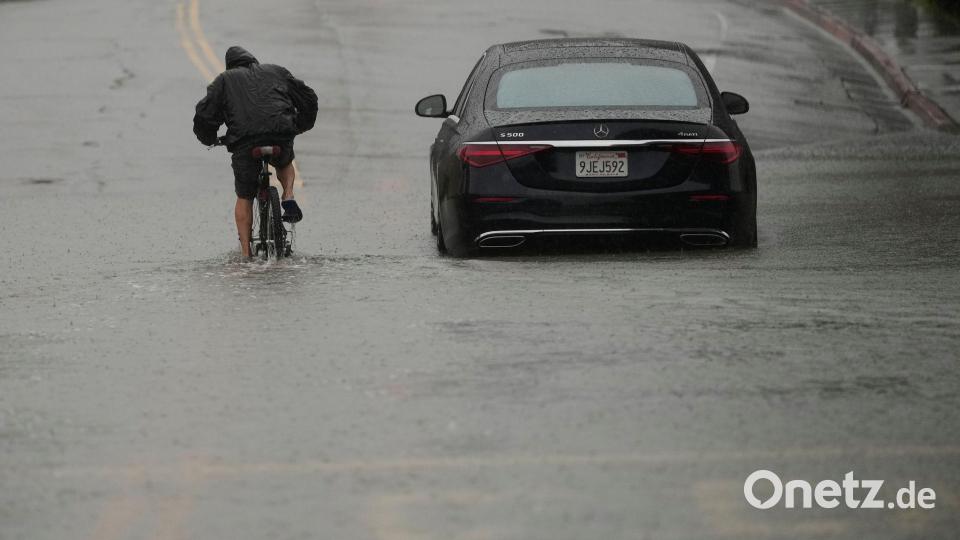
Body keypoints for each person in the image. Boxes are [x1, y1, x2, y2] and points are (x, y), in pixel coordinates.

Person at [193, 46, 318, 257]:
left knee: (245, 195)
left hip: (245, 141)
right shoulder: (277, 71)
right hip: (280, 132)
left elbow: (205, 115)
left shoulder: (224, 80)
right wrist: (298, 125)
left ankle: (245, 254)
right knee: (285, 161)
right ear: (253, 61)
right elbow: (308, 98)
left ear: (230, 66)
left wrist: (210, 138)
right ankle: (287, 194)